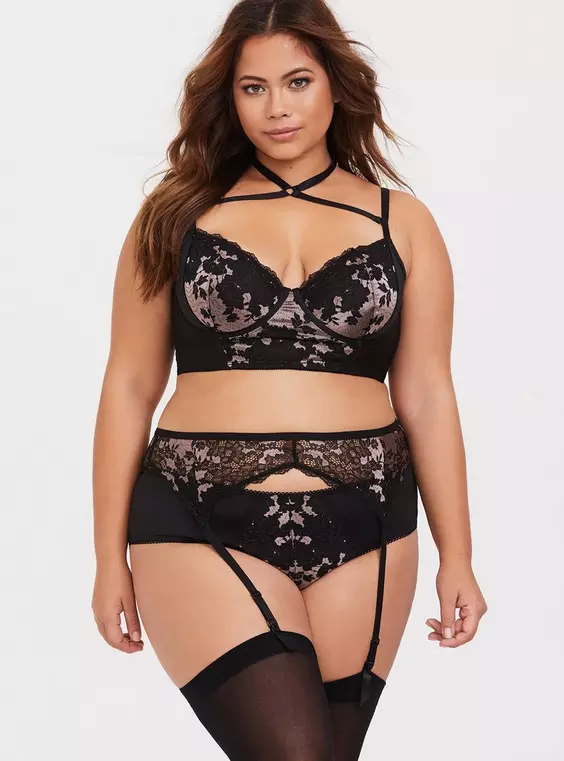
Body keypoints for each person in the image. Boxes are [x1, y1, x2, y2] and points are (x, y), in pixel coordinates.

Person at [91, 1, 487, 758]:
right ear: (229, 97)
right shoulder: (174, 217)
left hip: (368, 521)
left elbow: (428, 394)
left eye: (297, 81)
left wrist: (458, 555)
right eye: (253, 88)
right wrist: (108, 556)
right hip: (196, 512)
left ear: (336, 84)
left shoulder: (402, 221)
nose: (277, 107)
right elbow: (129, 385)